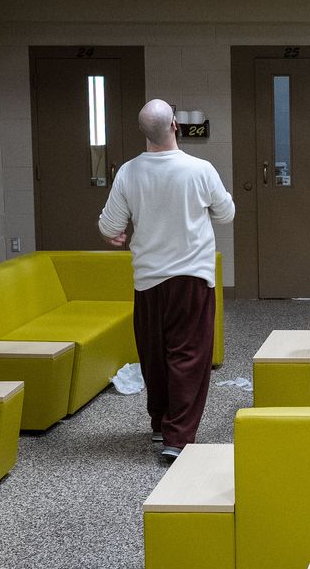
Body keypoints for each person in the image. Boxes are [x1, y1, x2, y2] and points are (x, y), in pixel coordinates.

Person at [98, 99, 235, 464]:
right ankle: (177, 437)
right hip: (192, 278)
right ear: (175, 125)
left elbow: (109, 226)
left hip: (148, 281)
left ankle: (160, 422)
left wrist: (117, 233)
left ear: (144, 132)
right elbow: (227, 213)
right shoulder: (200, 169)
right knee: (188, 355)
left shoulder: (129, 172)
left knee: (154, 354)